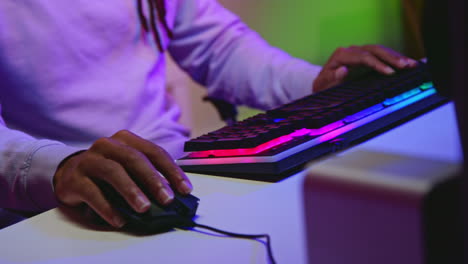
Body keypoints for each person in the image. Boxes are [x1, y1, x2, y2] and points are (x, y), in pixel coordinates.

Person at [0, 0, 417, 228]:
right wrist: (58, 168)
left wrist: (316, 85)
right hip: (64, 206)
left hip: (181, 175)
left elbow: (219, 47)